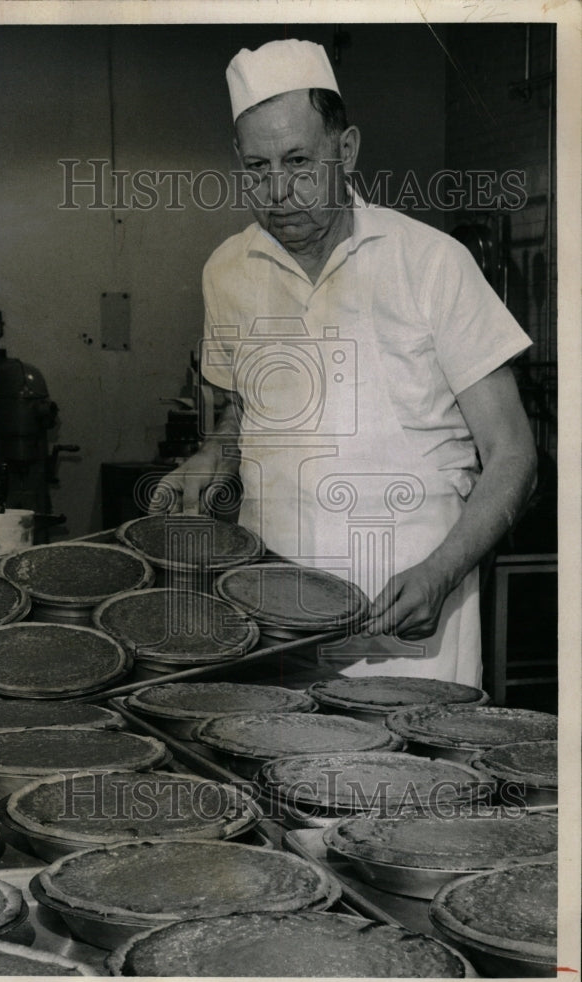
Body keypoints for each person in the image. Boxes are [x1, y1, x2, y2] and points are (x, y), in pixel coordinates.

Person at [152, 39, 537, 686]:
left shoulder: (432, 264)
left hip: (412, 625)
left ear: (347, 150)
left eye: (300, 161)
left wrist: (440, 574)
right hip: (271, 629)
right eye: (258, 167)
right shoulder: (227, 271)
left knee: (405, 784)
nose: (279, 191)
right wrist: (209, 459)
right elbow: (239, 416)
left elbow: (515, 455)